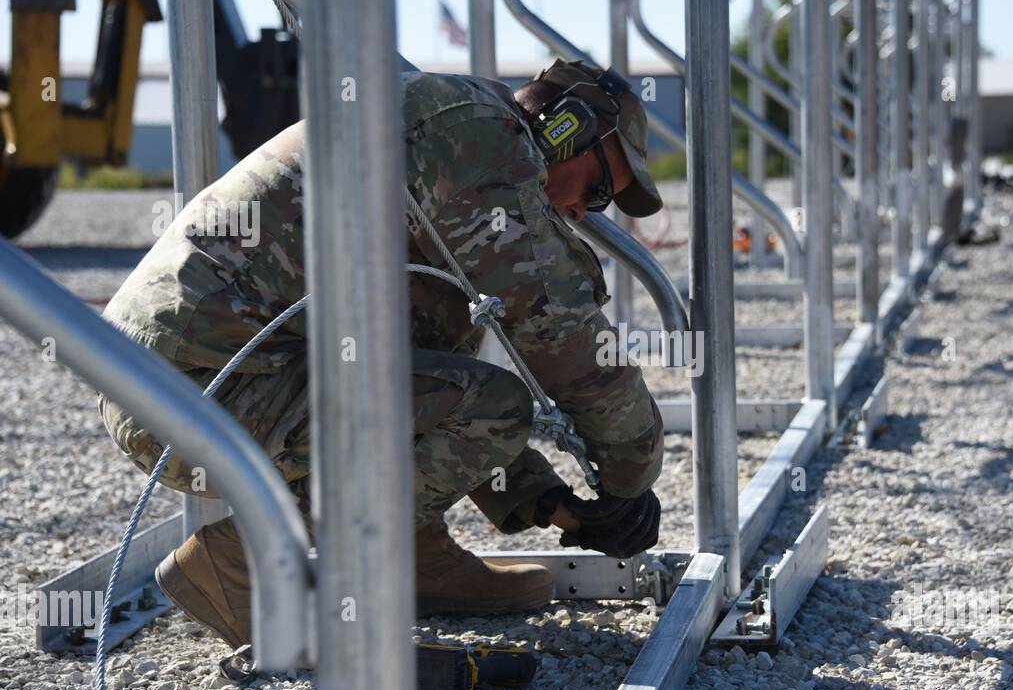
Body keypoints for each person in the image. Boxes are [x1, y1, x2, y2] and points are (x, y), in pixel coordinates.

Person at [98, 59, 666, 650]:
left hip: (187, 380)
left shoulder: (458, 129)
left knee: (448, 327)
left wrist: (551, 503)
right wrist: (631, 477)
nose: (582, 212)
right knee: (497, 402)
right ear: (564, 127)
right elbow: (565, 335)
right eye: (598, 188)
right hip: (197, 392)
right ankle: (241, 566)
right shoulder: (478, 142)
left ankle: (411, 558)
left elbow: (430, 379)